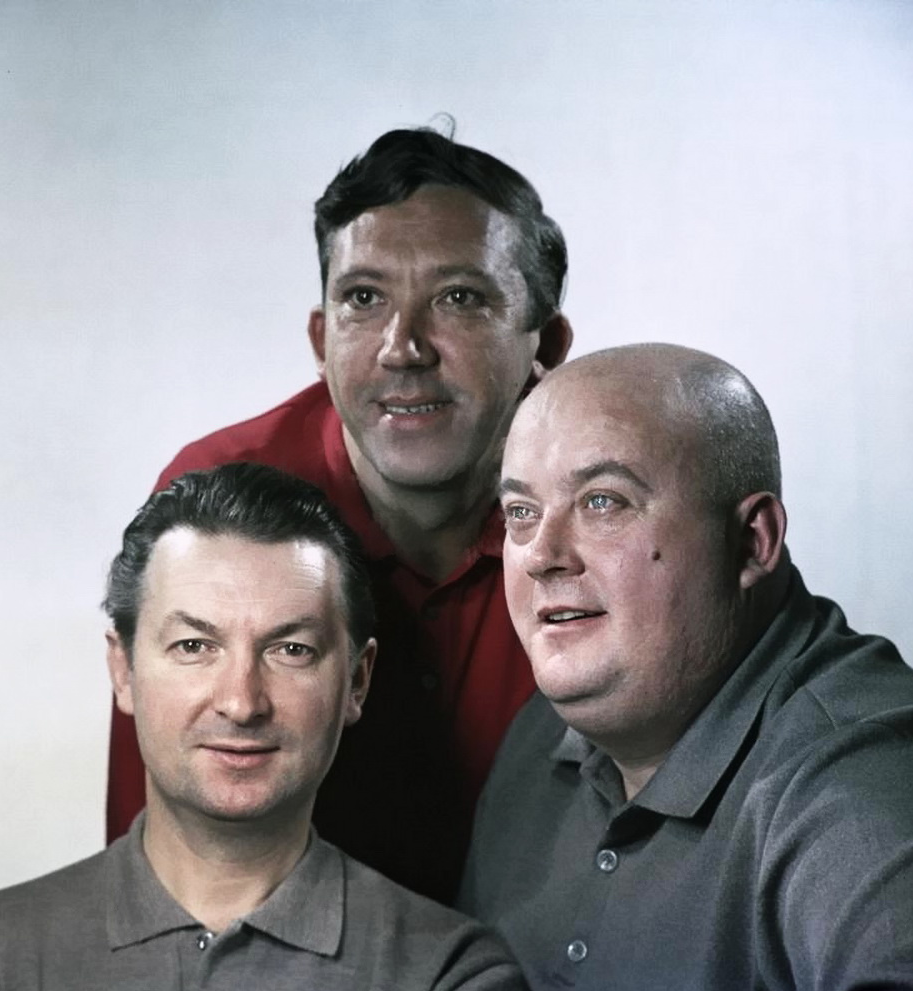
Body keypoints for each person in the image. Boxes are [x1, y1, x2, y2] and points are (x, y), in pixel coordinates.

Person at [106, 125, 574, 902]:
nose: (402, 347)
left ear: (545, 346)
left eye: (459, 299)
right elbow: (159, 864)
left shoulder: (618, 514)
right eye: (364, 298)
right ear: (321, 340)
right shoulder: (211, 506)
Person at [0, 463, 529, 991]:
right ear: (124, 670)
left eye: (291, 649)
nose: (242, 703)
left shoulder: (446, 975)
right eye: (194, 646)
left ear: (357, 681)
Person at [458, 344, 913, 991]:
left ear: (752, 542)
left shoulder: (865, 783)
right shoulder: (540, 733)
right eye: (521, 513)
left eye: (602, 502)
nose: (540, 556)